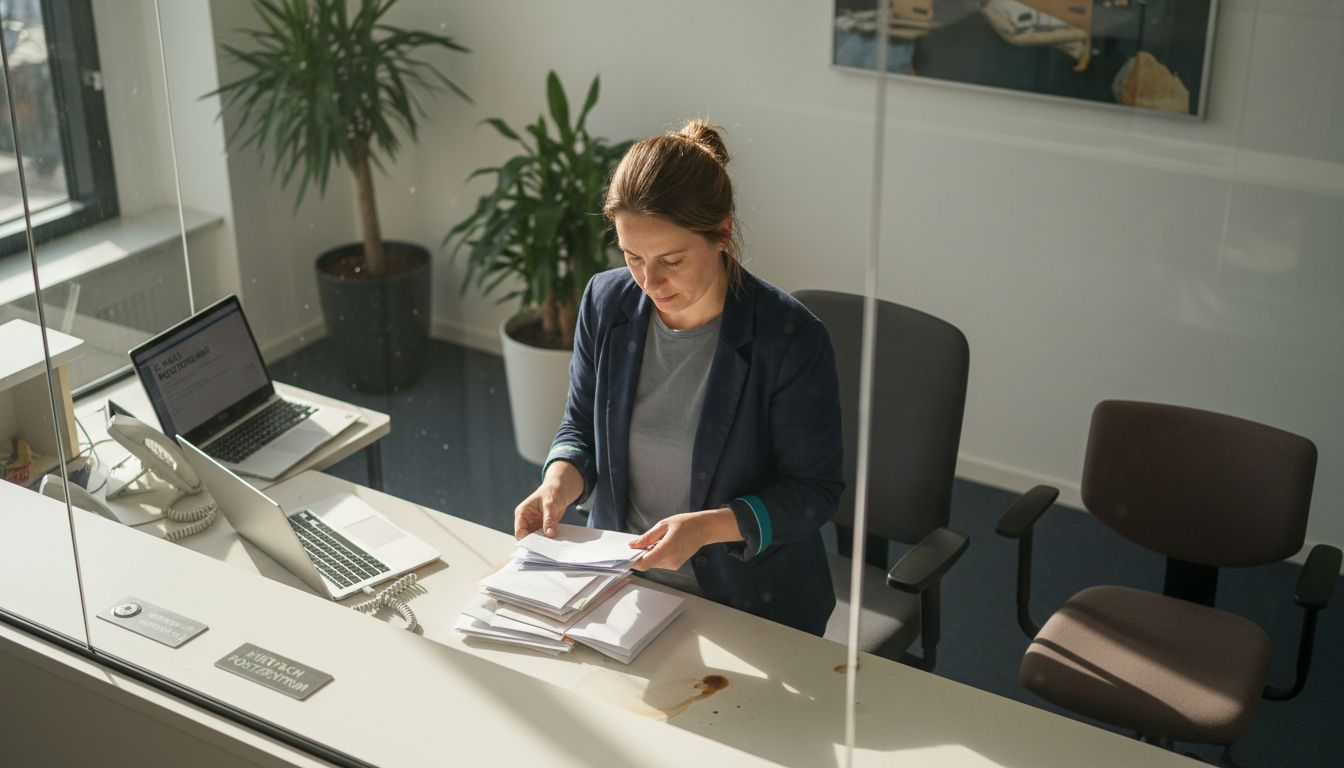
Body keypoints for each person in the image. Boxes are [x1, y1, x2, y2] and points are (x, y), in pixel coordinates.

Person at [513, 120, 843, 636]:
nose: (649, 281)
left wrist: (707, 528)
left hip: (750, 602)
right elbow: (580, 426)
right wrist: (559, 479)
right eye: (632, 257)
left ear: (722, 233)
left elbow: (813, 491)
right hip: (623, 588)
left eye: (670, 260)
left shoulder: (789, 338)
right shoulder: (606, 303)